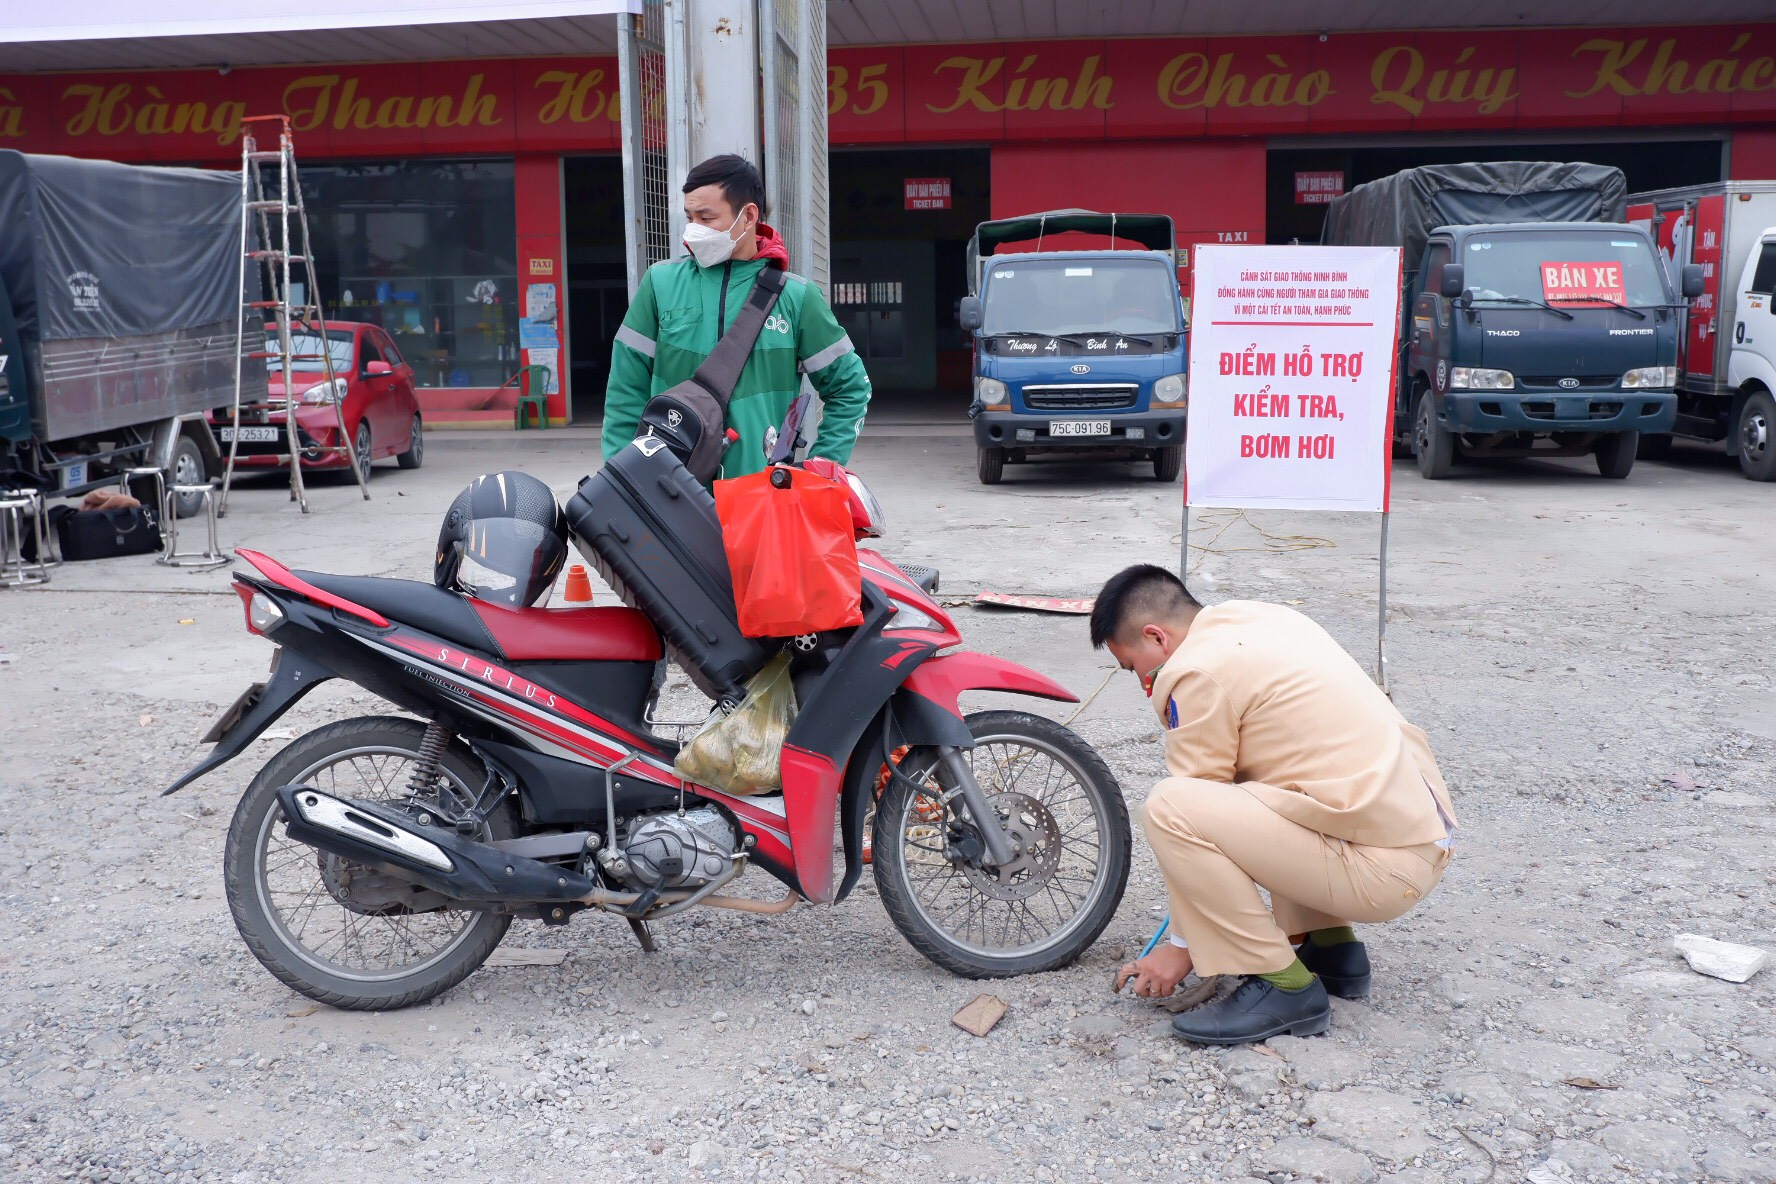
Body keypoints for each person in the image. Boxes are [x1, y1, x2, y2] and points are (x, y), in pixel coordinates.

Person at [1092, 565, 1458, 1045]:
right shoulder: (1261, 619)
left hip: (1382, 870)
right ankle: (1330, 949)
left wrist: (1181, 946)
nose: (1141, 682)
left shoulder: (1195, 669)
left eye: (1132, 666)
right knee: (1273, 781)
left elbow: (1194, 810)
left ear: (1157, 637)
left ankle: (1284, 987)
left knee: (1170, 806)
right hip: (1419, 835)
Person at [603, 154, 871, 478]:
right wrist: (622, 477)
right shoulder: (660, 284)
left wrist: (818, 472)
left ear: (748, 217)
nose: (693, 230)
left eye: (706, 218)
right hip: (669, 494)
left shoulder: (797, 298)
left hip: (758, 499)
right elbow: (625, 390)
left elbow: (850, 387)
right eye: (689, 217)